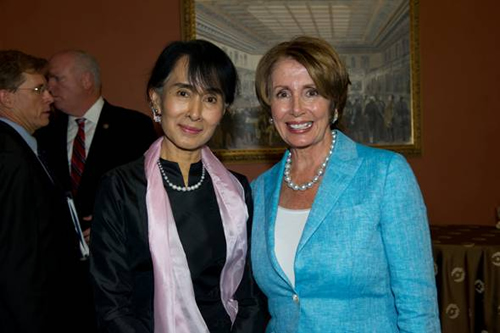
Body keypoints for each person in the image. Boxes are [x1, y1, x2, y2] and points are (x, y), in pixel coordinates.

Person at [251, 36, 440, 332]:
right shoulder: (259, 190)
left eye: (311, 92)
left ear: (334, 102)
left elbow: (418, 306)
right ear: (270, 106)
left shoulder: (385, 174)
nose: (296, 108)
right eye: (283, 94)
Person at [89, 40, 268, 332]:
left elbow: (251, 296)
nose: (195, 112)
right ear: (156, 99)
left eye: (210, 98)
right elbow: (112, 305)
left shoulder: (237, 191)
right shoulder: (120, 188)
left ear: (223, 110)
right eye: (183, 93)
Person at [35, 49, 157, 332]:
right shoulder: (44, 131)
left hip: (118, 271)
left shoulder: (133, 127)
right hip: (62, 277)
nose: (49, 88)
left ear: (86, 80)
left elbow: (150, 195)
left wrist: (113, 228)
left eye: (56, 79)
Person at [0, 50, 80, 332]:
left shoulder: (23, 147)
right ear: (6, 97)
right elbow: (16, 254)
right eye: (38, 89)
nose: (49, 97)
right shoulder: (10, 156)